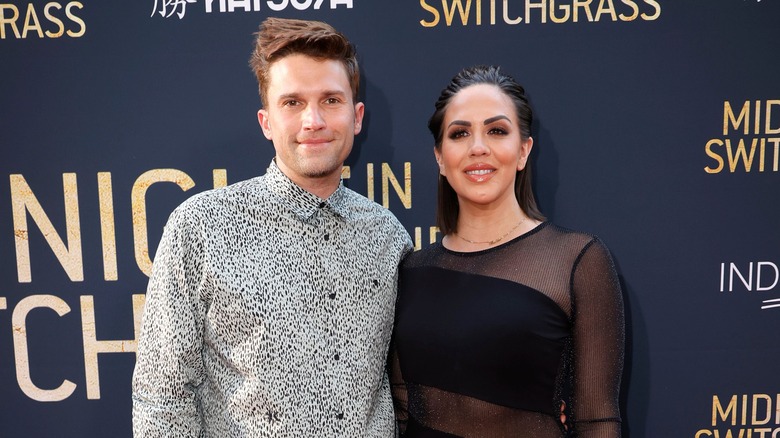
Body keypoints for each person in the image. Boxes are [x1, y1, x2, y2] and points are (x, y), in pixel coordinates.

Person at [132, 17, 412, 436]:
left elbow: (413, 383)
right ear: (266, 122)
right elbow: (162, 398)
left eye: (331, 100)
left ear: (357, 117)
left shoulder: (388, 236)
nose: (313, 120)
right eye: (292, 102)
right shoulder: (200, 228)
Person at [389, 65, 625, 437]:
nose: (478, 147)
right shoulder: (412, 271)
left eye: (496, 131)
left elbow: (597, 421)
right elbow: (400, 412)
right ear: (439, 157)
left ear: (523, 150)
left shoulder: (576, 261)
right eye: (460, 133)